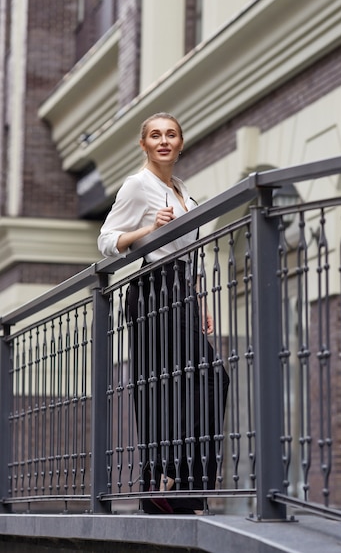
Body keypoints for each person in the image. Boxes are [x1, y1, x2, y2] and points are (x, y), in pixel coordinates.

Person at [98, 112, 229, 514]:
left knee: (205, 380)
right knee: (165, 384)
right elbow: (106, 241)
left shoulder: (184, 191)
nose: (164, 141)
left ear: (181, 142)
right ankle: (166, 479)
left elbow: (192, 253)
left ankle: (177, 486)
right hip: (153, 288)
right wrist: (147, 231)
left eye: (171, 134)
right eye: (155, 135)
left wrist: (200, 300)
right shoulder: (138, 186)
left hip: (182, 290)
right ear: (144, 145)